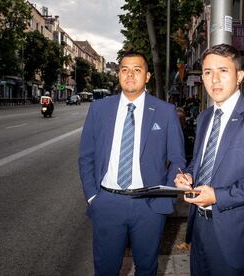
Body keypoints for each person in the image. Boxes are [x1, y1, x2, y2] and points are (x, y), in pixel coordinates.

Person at [174, 44, 244, 276]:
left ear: (239, 76)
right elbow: (200, 161)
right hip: (199, 226)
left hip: (235, 231)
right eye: (207, 72)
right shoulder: (204, 117)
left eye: (223, 70)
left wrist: (218, 196)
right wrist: (188, 175)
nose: (214, 79)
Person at [78, 51, 186, 275]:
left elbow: (177, 158)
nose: (130, 75)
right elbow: (86, 156)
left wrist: (162, 201)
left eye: (137, 70)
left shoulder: (165, 112)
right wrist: (92, 197)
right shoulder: (99, 109)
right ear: (118, 74)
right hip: (107, 203)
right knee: (105, 269)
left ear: (147, 76)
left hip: (149, 206)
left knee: (146, 268)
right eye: (125, 69)